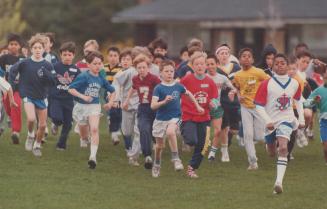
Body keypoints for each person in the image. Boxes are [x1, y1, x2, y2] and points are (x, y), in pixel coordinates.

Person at [255, 54, 304, 194]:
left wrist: (301, 118)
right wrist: (267, 120)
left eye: (283, 63)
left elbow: (298, 100)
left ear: (288, 65)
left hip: (287, 119)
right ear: (273, 66)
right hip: (271, 122)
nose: (280, 65)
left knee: (283, 148)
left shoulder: (294, 83)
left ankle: (278, 183)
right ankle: (269, 143)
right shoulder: (266, 83)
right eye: (276, 63)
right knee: (271, 152)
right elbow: (258, 105)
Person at [151, 60, 203, 177]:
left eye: (171, 71)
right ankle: (157, 164)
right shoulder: (158, 88)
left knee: (170, 132)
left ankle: (176, 158)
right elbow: (153, 106)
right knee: (159, 147)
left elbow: (189, 94)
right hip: (160, 120)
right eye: (166, 71)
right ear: (161, 74)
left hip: (176, 117)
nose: (169, 73)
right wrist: (163, 101)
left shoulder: (178, 86)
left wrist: (198, 106)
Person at [9, 34, 56, 157]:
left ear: (44, 49)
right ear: (31, 49)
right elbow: (12, 72)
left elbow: (53, 82)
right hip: (28, 95)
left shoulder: (48, 65)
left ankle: (37, 145)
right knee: (31, 119)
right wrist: (12, 88)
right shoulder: (24, 63)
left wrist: (46, 74)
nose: (37, 50)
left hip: (42, 97)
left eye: (40, 47)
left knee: (42, 125)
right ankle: (30, 135)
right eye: (35, 47)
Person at [68, 51, 116, 169]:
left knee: (94, 129)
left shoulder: (101, 78)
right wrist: (83, 96)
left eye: (100, 63)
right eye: (95, 63)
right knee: (84, 137)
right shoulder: (83, 76)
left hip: (94, 106)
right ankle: (83, 135)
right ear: (88, 65)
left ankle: (92, 157)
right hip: (81, 107)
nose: (98, 66)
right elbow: (70, 89)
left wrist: (110, 102)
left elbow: (113, 91)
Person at [180, 51, 218, 178]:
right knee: (191, 140)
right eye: (197, 64)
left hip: (204, 118)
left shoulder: (210, 82)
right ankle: (183, 130)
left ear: (206, 65)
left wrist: (213, 104)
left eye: (202, 64)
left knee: (203, 145)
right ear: (193, 66)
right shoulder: (186, 79)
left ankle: (192, 168)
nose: (200, 66)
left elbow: (215, 99)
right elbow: (177, 90)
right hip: (189, 116)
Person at [233, 48, 269, 170]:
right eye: (244, 56)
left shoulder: (259, 72)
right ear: (239, 60)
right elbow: (236, 87)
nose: (246, 58)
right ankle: (253, 161)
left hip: (259, 107)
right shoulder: (237, 75)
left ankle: (274, 140)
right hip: (245, 107)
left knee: (259, 137)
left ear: (253, 59)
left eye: (249, 56)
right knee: (248, 135)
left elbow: (270, 83)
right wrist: (238, 95)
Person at [123, 54, 161, 169]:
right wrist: (126, 100)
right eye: (139, 68)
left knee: (156, 133)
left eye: (144, 67)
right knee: (143, 130)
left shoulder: (154, 78)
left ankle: (157, 149)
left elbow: (161, 88)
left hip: (155, 108)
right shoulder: (135, 78)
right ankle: (148, 156)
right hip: (143, 108)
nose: (142, 70)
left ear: (148, 67)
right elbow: (133, 88)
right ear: (136, 68)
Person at [48, 41, 80, 150]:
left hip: (69, 100)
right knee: (58, 118)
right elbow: (49, 80)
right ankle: (55, 123)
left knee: (68, 124)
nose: (67, 57)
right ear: (61, 55)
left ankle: (61, 144)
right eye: (64, 54)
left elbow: (80, 83)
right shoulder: (54, 67)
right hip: (56, 98)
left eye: (69, 55)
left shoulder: (76, 70)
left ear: (73, 55)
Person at [206, 55, 237, 162]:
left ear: (217, 64)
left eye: (212, 64)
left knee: (218, 131)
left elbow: (233, 88)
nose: (210, 66)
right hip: (203, 108)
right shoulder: (203, 77)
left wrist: (233, 92)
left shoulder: (222, 78)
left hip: (217, 107)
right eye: (208, 64)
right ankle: (203, 150)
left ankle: (212, 152)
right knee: (203, 133)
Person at [114, 49, 141, 166]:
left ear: (132, 61)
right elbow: (117, 86)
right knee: (127, 130)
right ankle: (129, 148)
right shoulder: (121, 73)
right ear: (120, 62)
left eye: (128, 59)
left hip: (137, 103)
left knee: (137, 130)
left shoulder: (132, 71)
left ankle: (133, 152)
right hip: (126, 104)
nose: (125, 61)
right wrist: (116, 100)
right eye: (123, 59)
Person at [215, 44, 241, 148]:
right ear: (217, 56)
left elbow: (241, 81)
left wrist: (237, 90)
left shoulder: (236, 67)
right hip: (222, 101)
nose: (224, 55)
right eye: (222, 53)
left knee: (234, 130)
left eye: (226, 53)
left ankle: (229, 136)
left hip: (234, 102)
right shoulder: (215, 69)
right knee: (224, 126)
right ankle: (225, 142)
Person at [0, 33, 25, 143]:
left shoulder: (23, 59)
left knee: (16, 105)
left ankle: (16, 132)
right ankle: (12, 118)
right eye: (11, 44)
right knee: (9, 109)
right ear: (8, 46)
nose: (13, 46)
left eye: (16, 44)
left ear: (20, 46)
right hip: (6, 89)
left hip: (19, 88)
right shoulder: (4, 58)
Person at [304, 65, 327, 166]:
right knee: (326, 147)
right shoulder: (318, 90)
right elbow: (306, 103)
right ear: (324, 74)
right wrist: (314, 100)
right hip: (324, 122)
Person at [100, 46, 122, 145]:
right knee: (113, 110)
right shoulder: (103, 68)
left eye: (115, 55)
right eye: (111, 55)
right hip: (108, 92)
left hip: (120, 93)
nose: (113, 58)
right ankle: (114, 133)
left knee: (119, 112)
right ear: (107, 57)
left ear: (119, 57)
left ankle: (114, 126)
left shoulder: (121, 68)